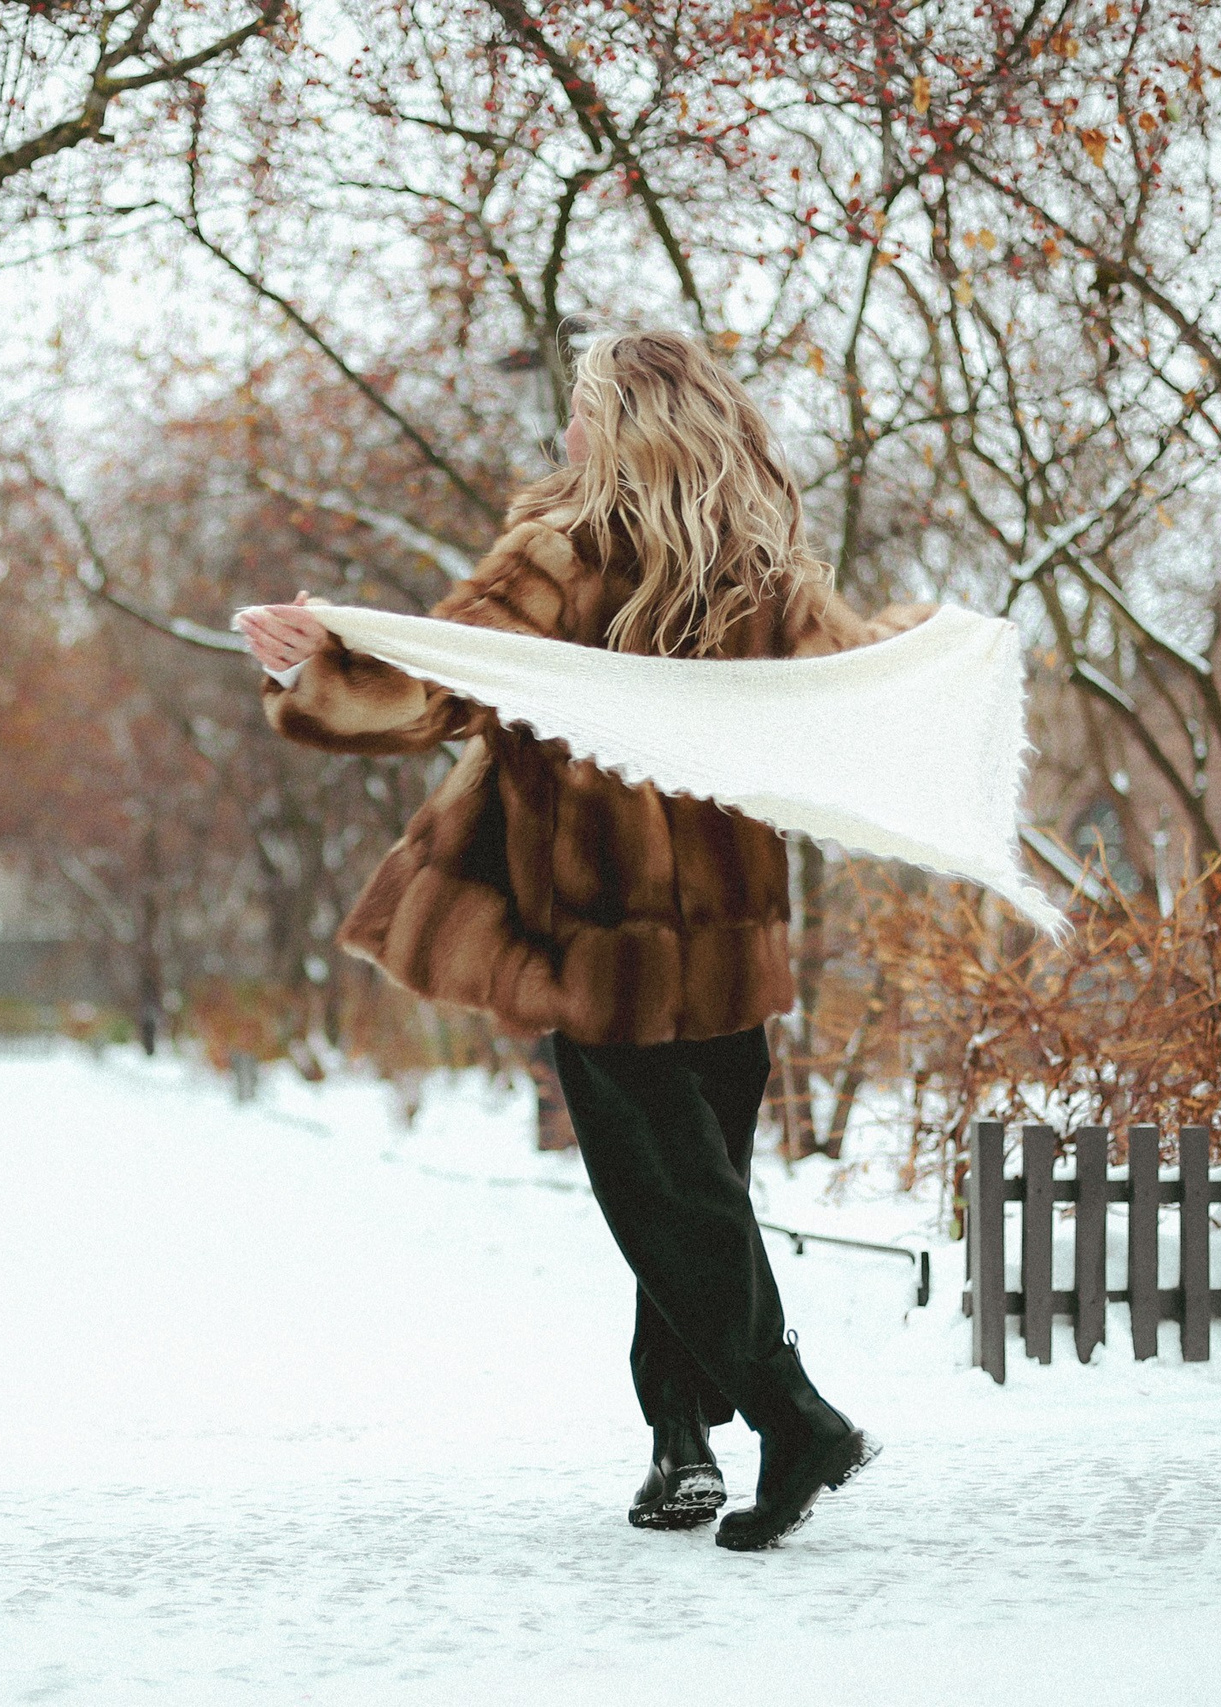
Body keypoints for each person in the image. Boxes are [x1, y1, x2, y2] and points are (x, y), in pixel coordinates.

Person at [234, 329, 927, 1551]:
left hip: (601, 947)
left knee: (670, 1207)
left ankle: (792, 1417)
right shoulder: (764, 574)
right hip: (729, 950)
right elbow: (856, 686)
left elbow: (441, 687)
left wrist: (316, 670)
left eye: (582, 412)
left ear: (622, 428)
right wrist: (934, 647)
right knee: (698, 1201)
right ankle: (681, 1444)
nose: (562, 433)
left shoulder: (564, 554)